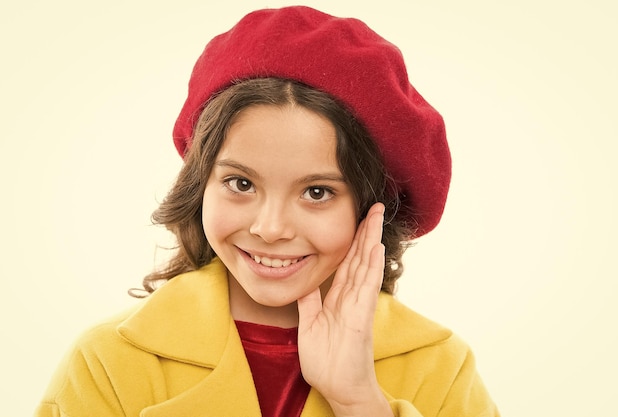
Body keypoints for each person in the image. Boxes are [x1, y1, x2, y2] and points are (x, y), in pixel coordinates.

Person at [35, 6, 499, 417]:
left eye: (317, 192)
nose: (270, 228)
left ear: (371, 210)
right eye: (241, 184)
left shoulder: (440, 368)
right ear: (200, 187)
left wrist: (359, 403)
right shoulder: (108, 362)